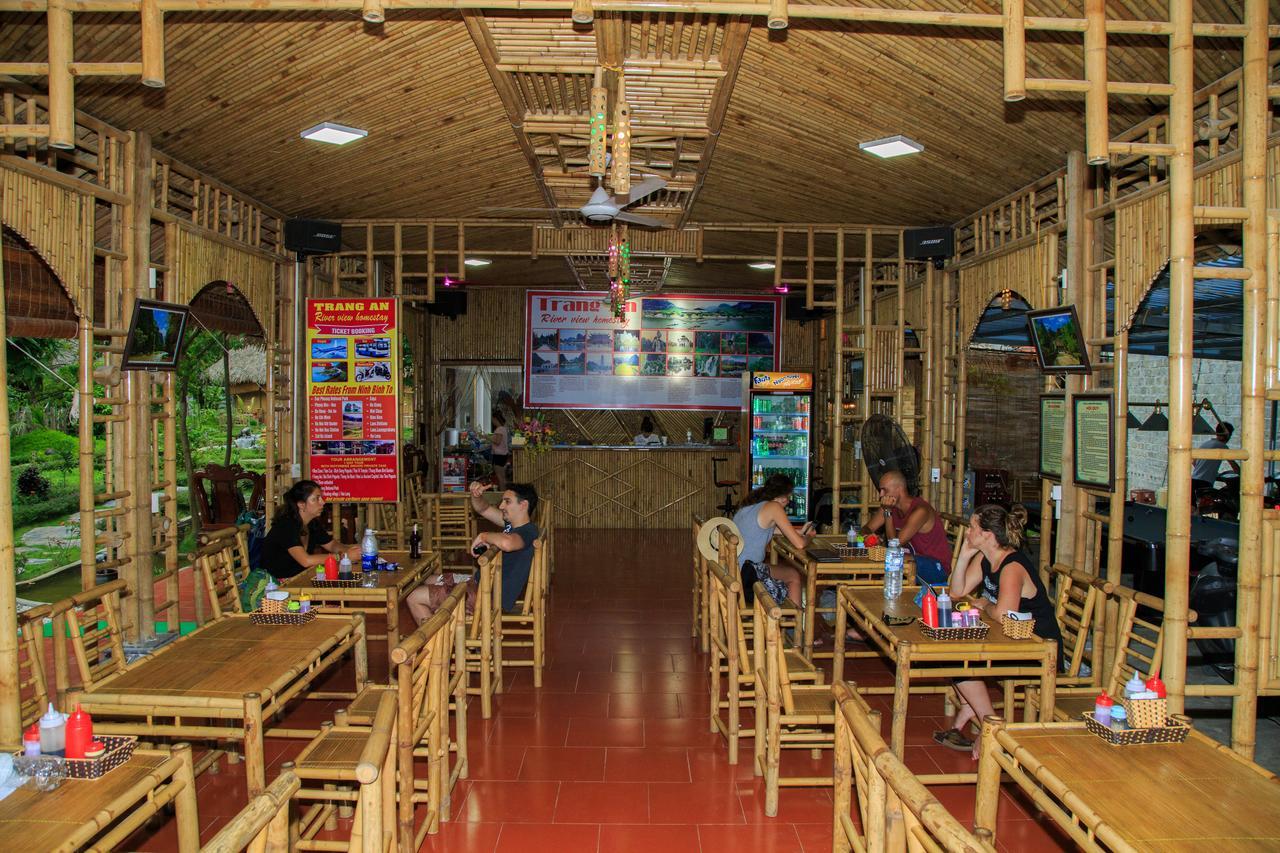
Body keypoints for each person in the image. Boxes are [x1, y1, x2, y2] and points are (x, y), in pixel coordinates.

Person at [933, 504, 1062, 758]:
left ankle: (989, 725)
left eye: (972, 528)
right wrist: (964, 554)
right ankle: (975, 711)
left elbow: (1003, 614)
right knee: (950, 651)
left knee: (958, 660)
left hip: (1037, 647)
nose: (968, 531)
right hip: (1010, 638)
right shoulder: (986, 558)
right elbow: (957, 591)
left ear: (988, 535)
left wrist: (985, 604)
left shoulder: (1011, 566)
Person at [406, 480, 540, 625]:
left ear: (523, 505)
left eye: (507, 502)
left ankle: (435, 645)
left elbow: (507, 543)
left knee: (413, 597)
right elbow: (484, 509)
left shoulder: (528, 531)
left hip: (489, 595)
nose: (501, 506)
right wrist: (476, 495)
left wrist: (484, 536)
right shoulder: (512, 525)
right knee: (429, 580)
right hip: (480, 583)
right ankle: (447, 630)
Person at [731, 473, 814, 606]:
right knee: (794, 575)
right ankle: (793, 623)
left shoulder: (751, 506)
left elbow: (767, 530)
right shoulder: (774, 507)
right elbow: (799, 544)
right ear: (783, 497)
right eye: (789, 497)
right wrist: (808, 537)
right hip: (747, 575)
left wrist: (799, 531)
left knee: (788, 573)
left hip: (733, 569)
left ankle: (790, 621)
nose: (789, 501)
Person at [861, 470, 952, 583]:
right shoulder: (888, 506)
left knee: (891, 557)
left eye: (885, 490)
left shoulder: (920, 511)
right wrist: (869, 537)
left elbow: (894, 545)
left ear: (899, 489)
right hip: (907, 560)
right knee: (880, 556)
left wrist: (888, 512)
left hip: (936, 568)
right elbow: (865, 529)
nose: (881, 495)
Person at [260, 480, 360, 581]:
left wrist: (354, 550)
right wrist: (342, 557)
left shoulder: (311, 524)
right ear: (301, 504)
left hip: (298, 578)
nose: (323, 502)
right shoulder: (287, 526)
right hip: (276, 585)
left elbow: (332, 545)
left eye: (321, 498)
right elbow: (306, 561)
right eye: (316, 499)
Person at [1191, 421, 1238, 498]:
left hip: (1194, 480)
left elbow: (1193, 462)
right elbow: (1234, 466)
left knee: (1194, 508)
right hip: (1204, 483)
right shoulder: (1222, 446)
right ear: (1227, 434)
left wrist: (1210, 471)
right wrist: (1242, 474)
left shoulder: (1206, 443)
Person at [489, 410, 511, 488]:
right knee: (502, 476)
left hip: (499, 455)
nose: (492, 421)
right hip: (503, 454)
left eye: (492, 419)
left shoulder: (499, 429)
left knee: (500, 477)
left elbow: (497, 441)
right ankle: (503, 492)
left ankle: (502, 494)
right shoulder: (503, 428)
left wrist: (487, 437)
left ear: (495, 419)